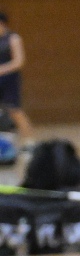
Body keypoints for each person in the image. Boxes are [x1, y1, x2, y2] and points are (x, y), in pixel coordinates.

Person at [0, 9, 23, 158]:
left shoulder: (13, 38)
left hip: (9, 80)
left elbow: (19, 61)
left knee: (15, 111)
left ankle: (30, 143)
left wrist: (2, 69)